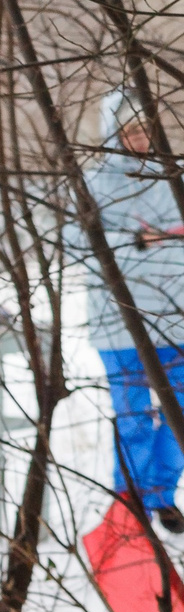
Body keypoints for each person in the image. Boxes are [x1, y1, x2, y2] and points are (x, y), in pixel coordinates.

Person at [84, 92, 184, 536]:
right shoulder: (94, 184)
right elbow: (82, 246)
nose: (140, 138)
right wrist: (138, 241)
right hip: (120, 326)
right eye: (131, 130)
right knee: (133, 414)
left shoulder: (173, 178)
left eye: (145, 128)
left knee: (179, 412)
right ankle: (130, 502)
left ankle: (161, 494)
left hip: (175, 319)